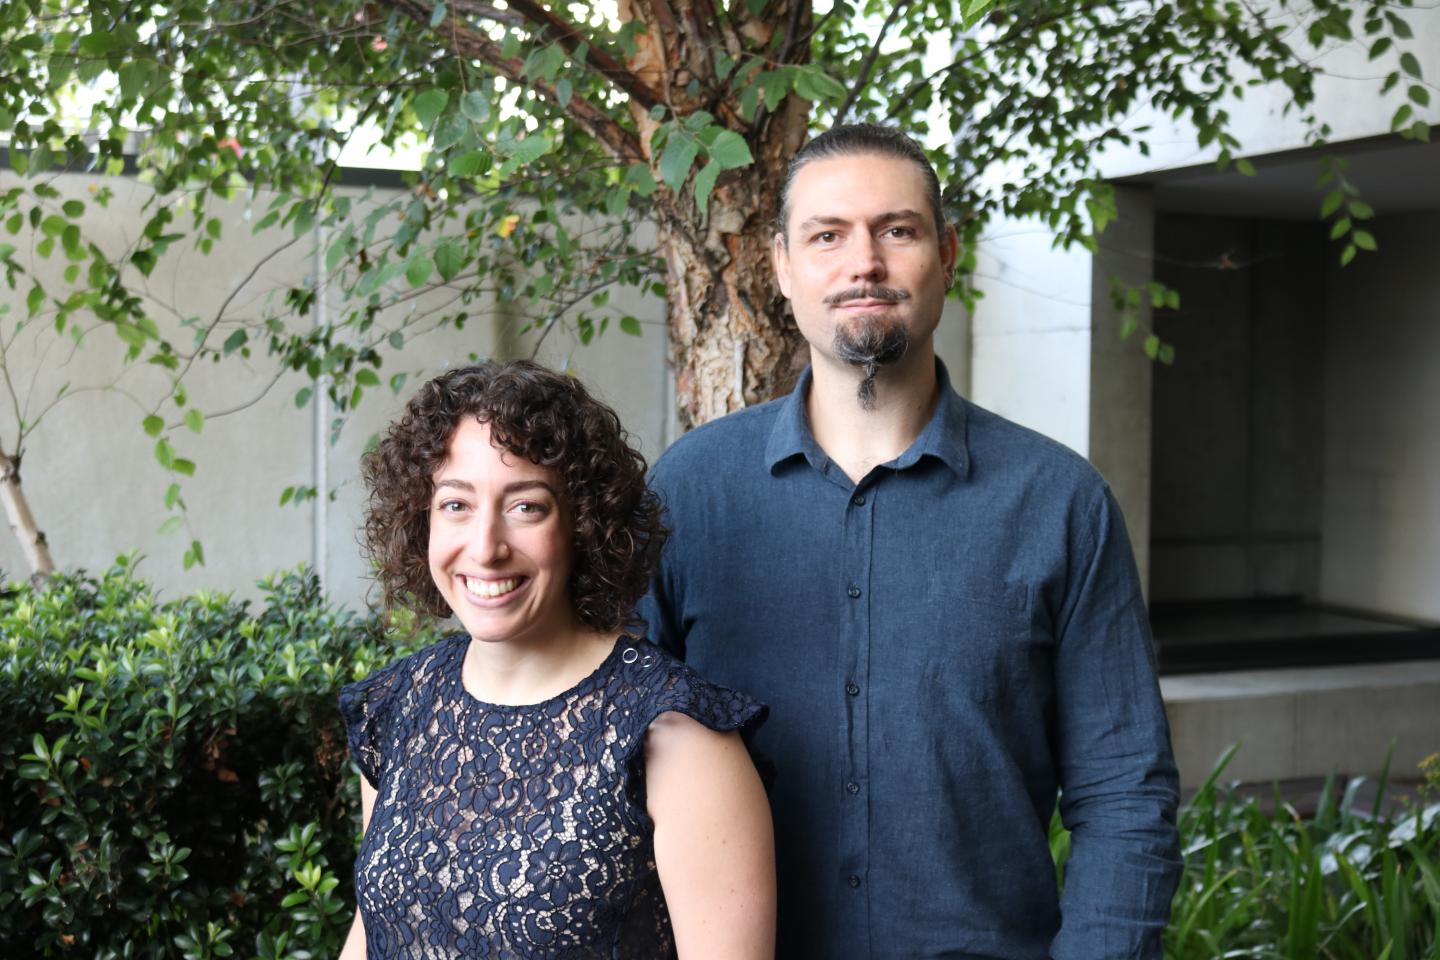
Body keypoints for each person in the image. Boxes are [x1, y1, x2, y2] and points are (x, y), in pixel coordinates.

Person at [639, 124, 1183, 958]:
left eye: (897, 230)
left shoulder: (1061, 503)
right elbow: (608, 758)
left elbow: (1124, 795)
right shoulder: (688, 494)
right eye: (828, 236)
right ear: (781, 265)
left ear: (947, 252)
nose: (864, 262)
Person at [337, 361, 775, 960]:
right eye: (456, 505)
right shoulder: (398, 709)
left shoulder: (675, 736)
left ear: (583, 525)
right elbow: (375, 930)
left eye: (526, 507)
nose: (486, 548)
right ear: (422, 520)